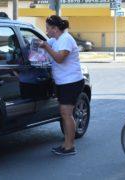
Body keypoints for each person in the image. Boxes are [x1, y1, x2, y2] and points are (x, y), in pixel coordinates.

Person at [38, 15, 84, 156]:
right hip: (63, 82)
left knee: (67, 114)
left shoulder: (66, 39)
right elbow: (44, 44)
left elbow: (59, 58)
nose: (46, 30)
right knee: (65, 114)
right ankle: (66, 144)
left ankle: (70, 147)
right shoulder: (56, 39)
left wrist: (46, 46)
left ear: (55, 28)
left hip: (71, 82)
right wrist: (40, 44)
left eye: (48, 28)